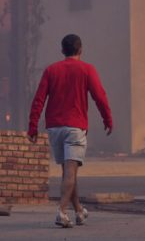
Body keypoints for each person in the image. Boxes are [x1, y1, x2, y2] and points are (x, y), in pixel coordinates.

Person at [27, 34, 113, 228]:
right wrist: (107, 119)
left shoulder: (51, 70)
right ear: (80, 50)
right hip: (75, 127)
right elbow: (100, 96)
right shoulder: (87, 70)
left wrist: (33, 126)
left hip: (55, 128)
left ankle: (79, 211)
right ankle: (62, 211)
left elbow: (39, 99)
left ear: (62, 50)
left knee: (69, 171)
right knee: (70, 171)